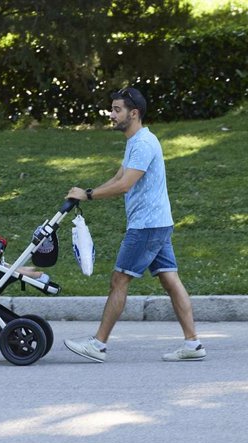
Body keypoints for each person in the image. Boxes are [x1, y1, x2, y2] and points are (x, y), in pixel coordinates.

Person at [63, 87, 206, 363]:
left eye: (117, 110)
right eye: (112, 109)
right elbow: (119, 176)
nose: (112, 115)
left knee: (119, 280)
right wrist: (87, 193)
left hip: (146, 226)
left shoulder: (142, 144)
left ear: (134, 113)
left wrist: (88, 195)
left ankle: (98, 344)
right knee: (170, 279)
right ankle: (193, 344)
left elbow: (126, 186)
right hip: (157, 223)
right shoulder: (137, 141)